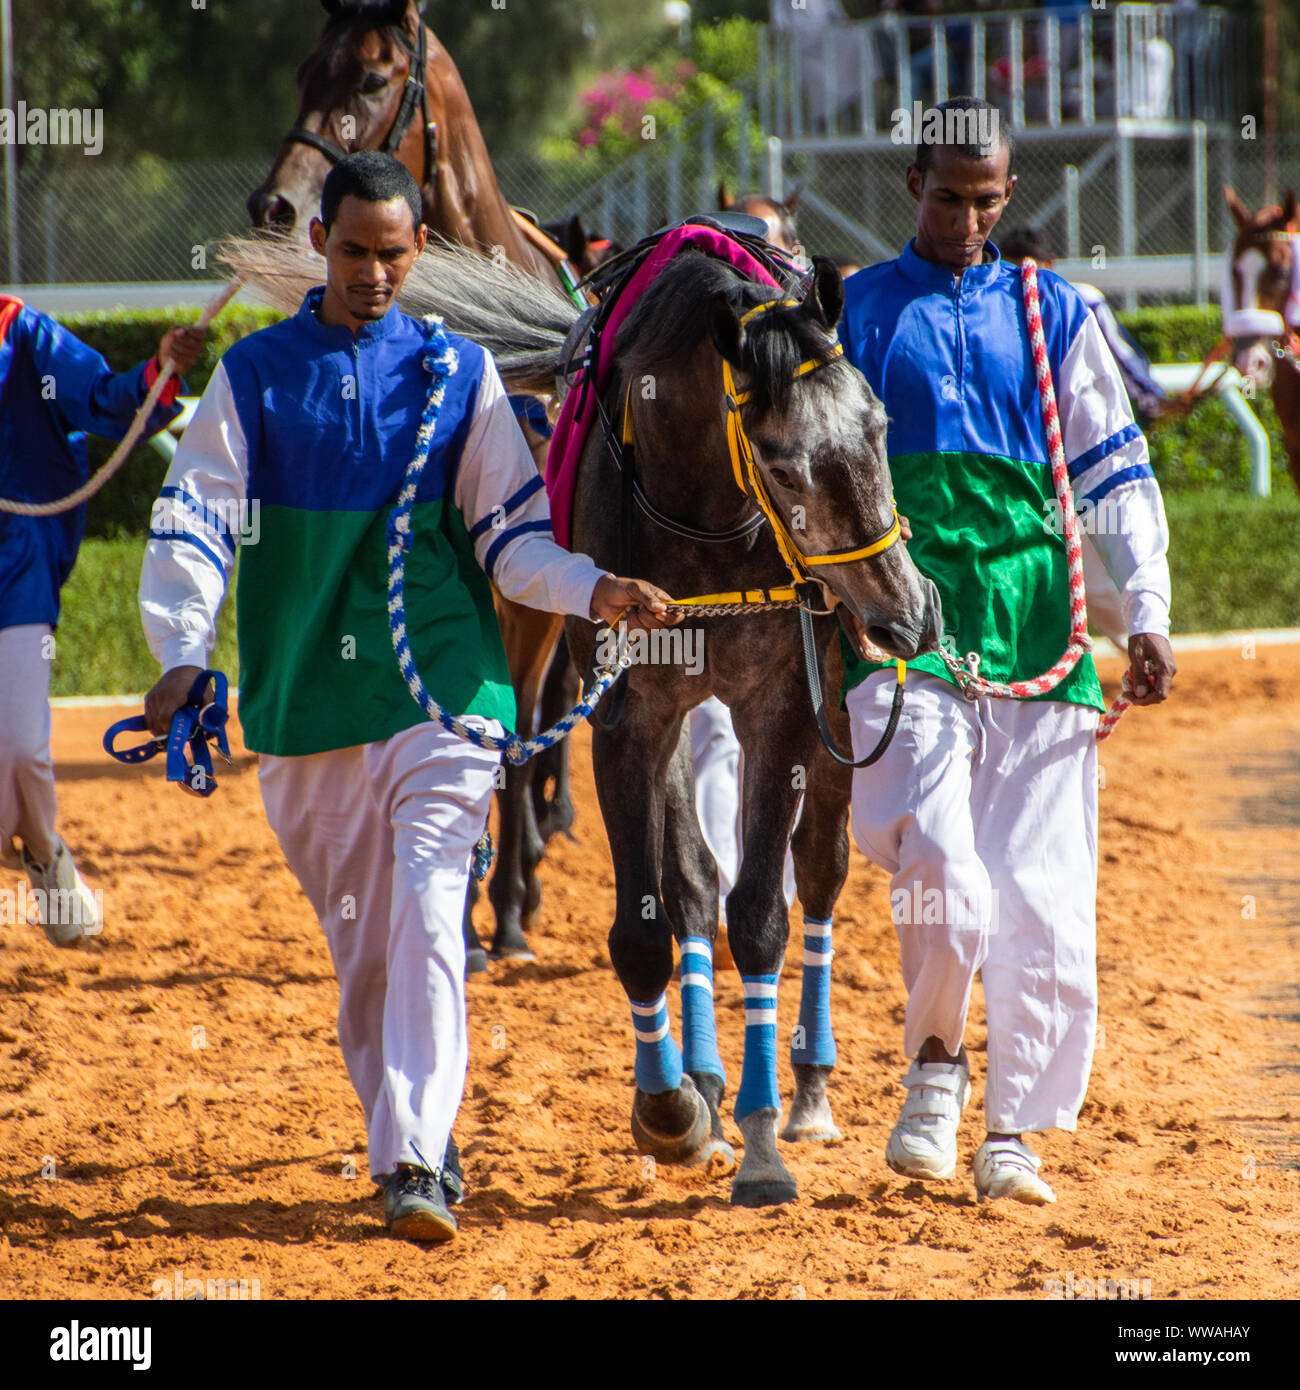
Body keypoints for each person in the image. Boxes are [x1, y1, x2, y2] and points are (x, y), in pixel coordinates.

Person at [137, 151, 675, 1243]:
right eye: (352, 252)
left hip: (444, 689)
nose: (373, 274)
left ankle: (416, 1160)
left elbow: (513, 539)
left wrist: (593, 587)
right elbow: (193, 513)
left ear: (418, 250)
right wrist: (180, 651)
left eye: (392, 254)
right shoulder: (256, 378)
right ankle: (410, 1133)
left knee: (434, 913)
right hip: (304, 709)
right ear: (320, 248)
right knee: (368, 955)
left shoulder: (459, 374)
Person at [839, 98, 1176, 1204]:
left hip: (1038, 624)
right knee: (940, 863)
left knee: (1039, 895)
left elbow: (1113, 469)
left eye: (987, 200)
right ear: (910, 184)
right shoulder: (853, 314)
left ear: (1007, 192)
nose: (967, 218)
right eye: (948, 196)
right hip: (906, 623)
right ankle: (934, 1066)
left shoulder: (1055, 309)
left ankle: (1014, 1128)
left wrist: (1152, 609)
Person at [0, 292, 204, 945]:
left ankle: (41, 851)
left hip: (17, 568)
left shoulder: (20, 333)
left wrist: (159, 370)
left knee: (22, 749)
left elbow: (106, 399)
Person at [998, 223, 1169, 650]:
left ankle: (1134, 637)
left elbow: (1121, 362)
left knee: (1088, 568)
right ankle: (1134, 638)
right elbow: (1128, 362)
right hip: (1064, 466)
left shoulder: (1065, 302)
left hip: (1051, 467)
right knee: (1090, 571)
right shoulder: (1075, 298)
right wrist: (1154, 401)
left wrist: (1153, 401)